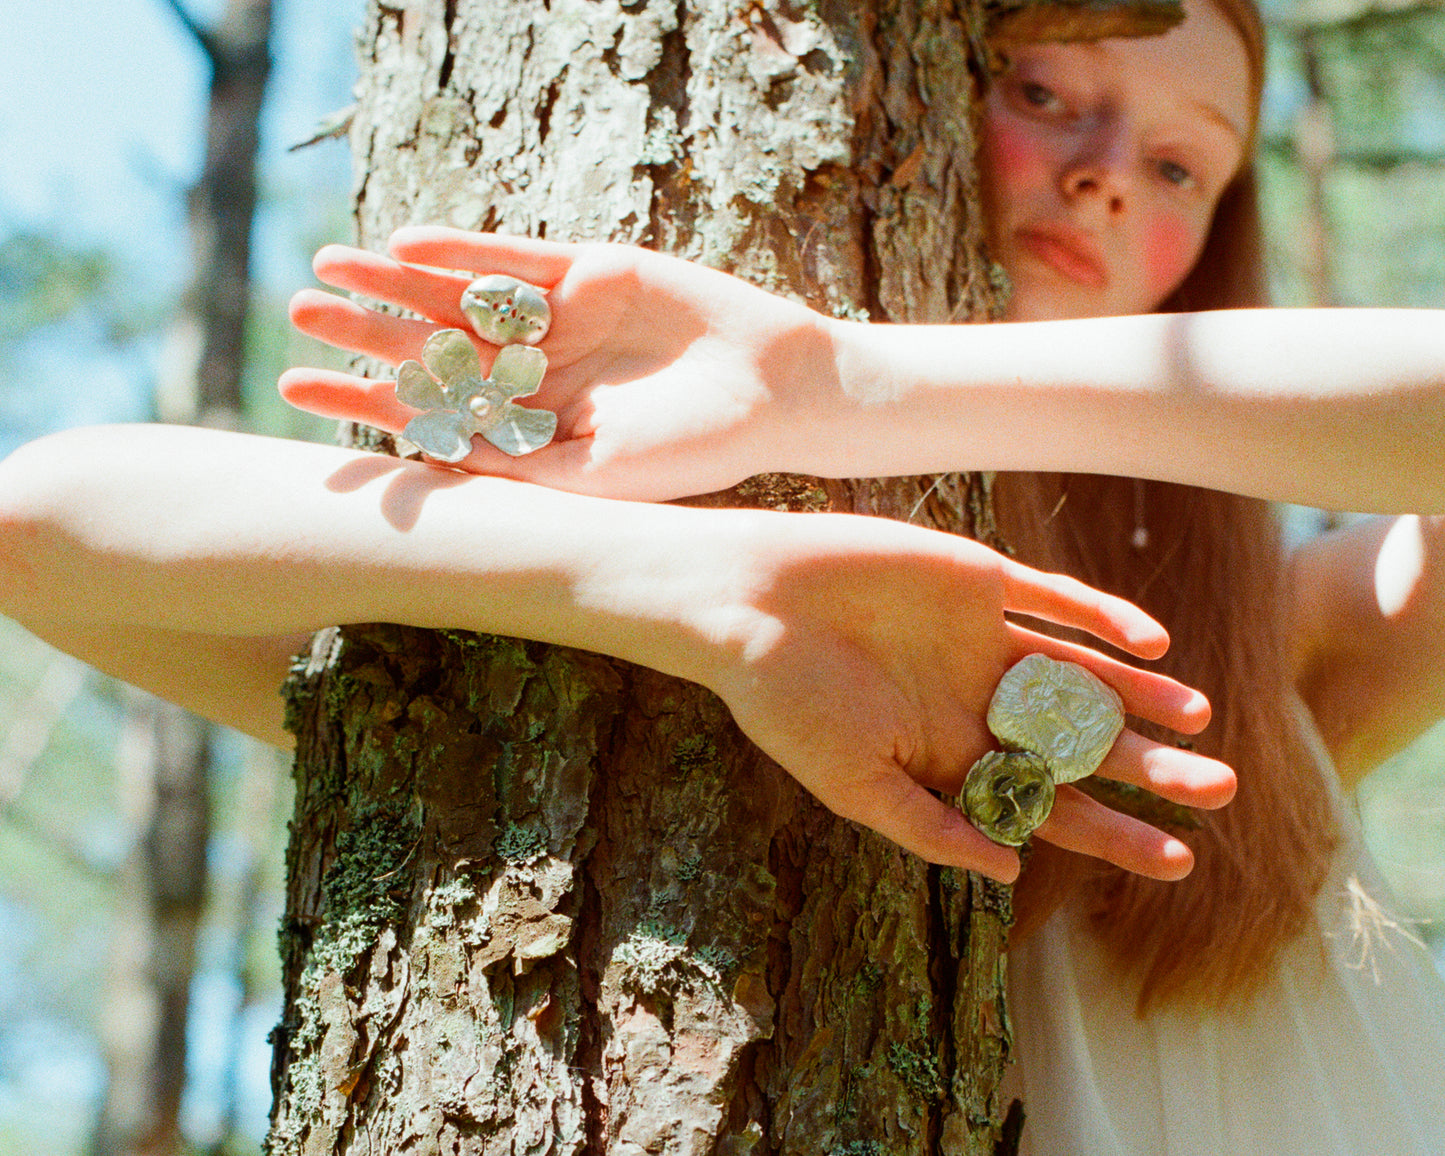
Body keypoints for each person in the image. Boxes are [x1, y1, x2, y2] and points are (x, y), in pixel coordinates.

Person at [0, 0, 1440, 1148]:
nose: (1100, 173)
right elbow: (43, 523)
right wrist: (691, 586)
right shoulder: (583, 622)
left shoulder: (1274, 656)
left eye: (1181, 161)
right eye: (1047, 92)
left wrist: (847, 383)